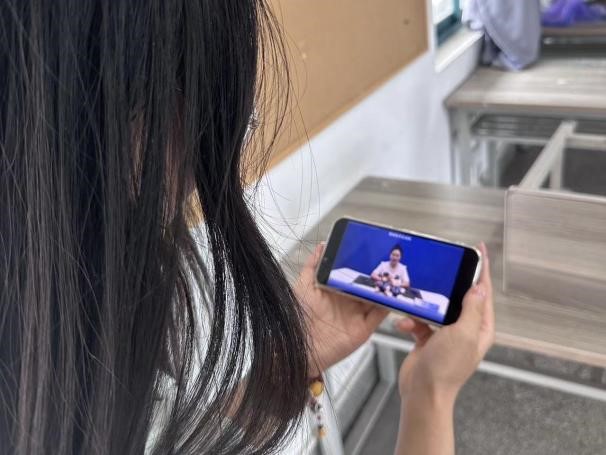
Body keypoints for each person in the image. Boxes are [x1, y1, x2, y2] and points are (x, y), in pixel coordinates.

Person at [0, 1, 494, 454]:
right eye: (216, 118)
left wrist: (287, 363)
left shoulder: (57, 351)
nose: (207, 165)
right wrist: (430, 394)